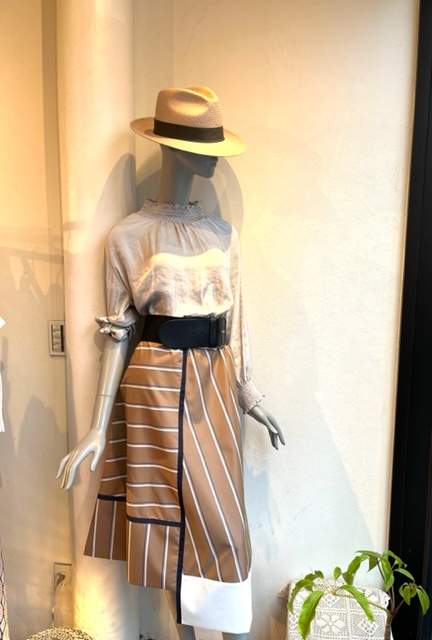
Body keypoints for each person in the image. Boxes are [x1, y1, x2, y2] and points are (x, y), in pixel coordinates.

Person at [57, 86, 284, 640]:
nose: (214, 160)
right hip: (153, 382)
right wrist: (96, 426)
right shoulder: (128, 236)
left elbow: (236, 320)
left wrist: (248, 393)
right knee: (165, 517)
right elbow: (119, 332)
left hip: (213, 382)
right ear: (173, 148)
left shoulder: (222, 235)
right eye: (204, 147)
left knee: (223, 526)